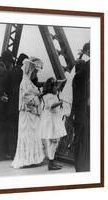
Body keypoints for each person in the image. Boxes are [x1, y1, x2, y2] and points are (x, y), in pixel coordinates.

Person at [12, 57, 45, 168]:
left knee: (31, 135)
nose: (35, 73)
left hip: (30, 114)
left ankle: (31, 158)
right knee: (28, 134)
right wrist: (38, 97)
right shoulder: (26, 82)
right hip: (28, 114)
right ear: (30, 70)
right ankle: (28, 159)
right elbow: (27, 98)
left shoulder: (27, 82)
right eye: (35, 71)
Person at [39, 77, 67, 170]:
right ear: (52, 87)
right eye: (55, 87)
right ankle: (51, 162)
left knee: (52, 141)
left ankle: (51, 161)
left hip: (50, 119)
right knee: (53, 141)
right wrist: (60, 102)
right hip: (51, 119)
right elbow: (51, 106)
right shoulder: (50, 96)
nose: (57, 88)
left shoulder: (47, 95)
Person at [71, 42, 90, 172]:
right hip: (83, 112)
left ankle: (80, 164)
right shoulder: (81, 77)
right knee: (83, 139)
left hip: (78, 113)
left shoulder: (76, 78)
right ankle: (82, 164)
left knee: (79, 139)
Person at [6, 53, 29, 159]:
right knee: (18, 129)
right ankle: (16, 152)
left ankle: (11, 152)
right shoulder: (22, 73)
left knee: (11, 129)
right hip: (18, 105)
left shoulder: (11, 71)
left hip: (10, 104)